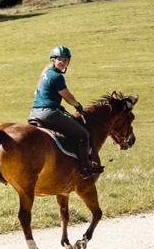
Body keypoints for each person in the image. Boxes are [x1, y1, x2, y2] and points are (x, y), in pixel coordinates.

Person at [30, 45, 102, 176]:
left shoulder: (45, 74)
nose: (63, 63)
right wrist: (77, 105)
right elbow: (67, 96)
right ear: (53, 60)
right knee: (83, 135)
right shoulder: (57, 76)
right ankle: (85, 167)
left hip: (35, 112)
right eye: (60, 60)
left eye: (66, 60)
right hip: (49, 114)